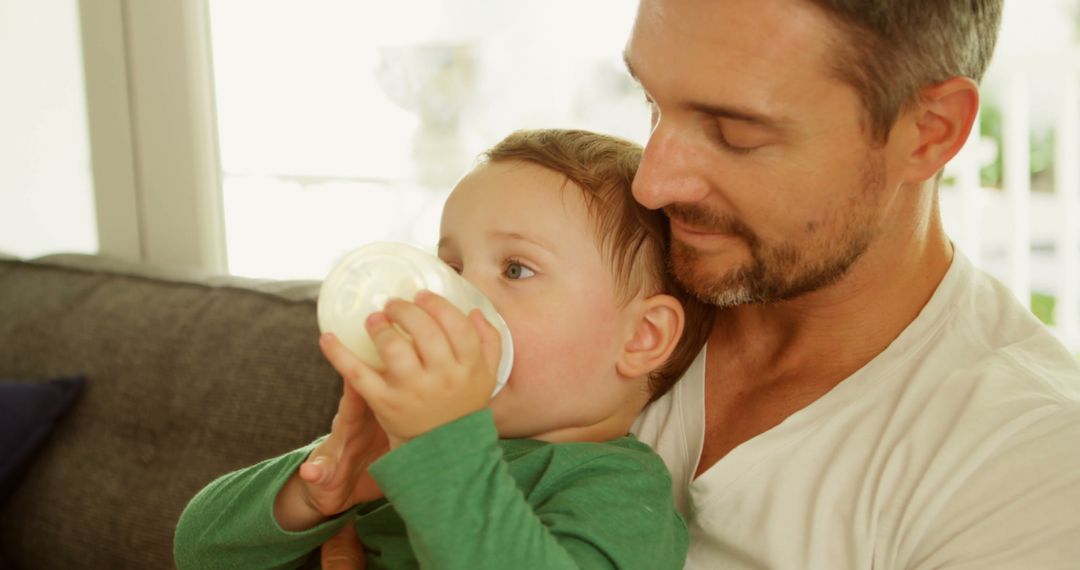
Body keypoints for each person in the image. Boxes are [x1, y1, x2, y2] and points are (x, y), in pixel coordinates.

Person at [623, 0, 1080, 568]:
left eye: (736, 133)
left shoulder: (1025, 466)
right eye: (651, 102)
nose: (651, 184)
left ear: (928, 133)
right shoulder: (583, 274)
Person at [173, 129, 714, 569]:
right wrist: (318, 489)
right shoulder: (407, 442)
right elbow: (199, 552)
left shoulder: (618, 491)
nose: (458, 298)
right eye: (451, 268)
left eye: (516, 269)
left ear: (642, 337)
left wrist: (442, 452)